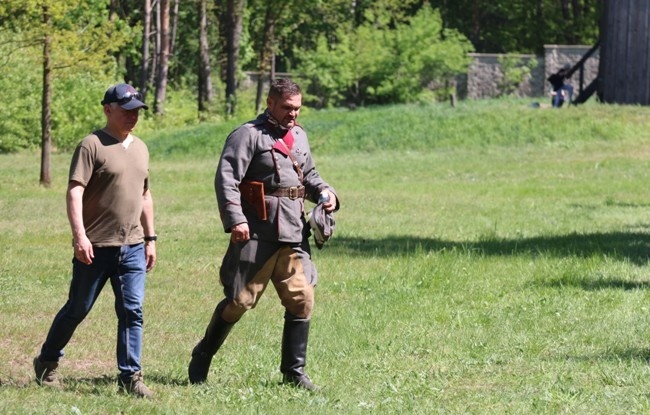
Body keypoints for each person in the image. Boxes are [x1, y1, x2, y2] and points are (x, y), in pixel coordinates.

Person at [188, 78, 339, 391]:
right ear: (270, 102)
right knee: (239, 301)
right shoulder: (247, 135)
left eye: (297, 108)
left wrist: (326, 192)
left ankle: (293, 372)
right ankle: (203, 353)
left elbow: (309, 176)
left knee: (302, 298)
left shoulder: (299, 136)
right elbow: (227, 179)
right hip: (257, 231)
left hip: (295, 232)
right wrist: (236, 219)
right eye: (287, 108)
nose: (293, 114)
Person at [33, 83, 157, 399]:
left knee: (132, 310)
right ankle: (47, 361)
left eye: (136, 111)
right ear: (108, 109)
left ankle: (131, 376)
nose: (133, 116)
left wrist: (150, 238)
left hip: (132, 246)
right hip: (96, 247)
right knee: (78, 307)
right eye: (127, 110)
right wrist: (80, 237)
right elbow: (75, 190)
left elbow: (145, 194)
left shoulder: (141, 147)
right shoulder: (92, 145)